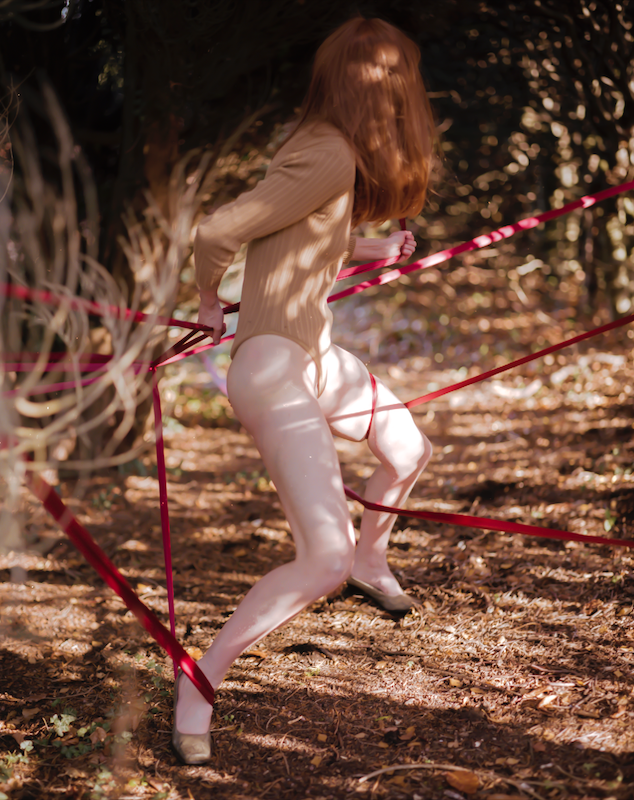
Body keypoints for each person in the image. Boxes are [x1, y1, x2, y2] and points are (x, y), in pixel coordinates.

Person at [173, 16, 436, 764]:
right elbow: (219, 231)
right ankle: (199, 681)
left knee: (407, 448)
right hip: (273, 367)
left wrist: (365, 245)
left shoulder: (331, 152)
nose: (398, 102)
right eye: (390, 88)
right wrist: (204, 302)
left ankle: (371, 561)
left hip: (313, 356)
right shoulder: (328, 151)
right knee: (317, 559)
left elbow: (290, 231)